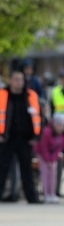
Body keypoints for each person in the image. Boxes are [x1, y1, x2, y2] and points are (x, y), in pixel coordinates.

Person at [0, 70, 42, 204]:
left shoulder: (30, 96)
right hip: (6, 138)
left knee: (27, 169)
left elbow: (38, 117)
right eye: (16, 79)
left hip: (25, 139)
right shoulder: (2, 94)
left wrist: (36, 135)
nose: (19, 82)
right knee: (2, 168)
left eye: (21, 79)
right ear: (10, 80)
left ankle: (32, 197)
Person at [34, 113, 64, 203]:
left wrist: (52, 159)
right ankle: (46, 194)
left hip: (53, 155)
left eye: (62, 125)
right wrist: (47, 159)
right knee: (45, 174)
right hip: (42, 154)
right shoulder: (46, 132)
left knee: (53, 173)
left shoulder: (63, 135)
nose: (60, 127)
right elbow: (43, 147)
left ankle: (52, 193)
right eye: (58, 125)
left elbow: (59, 149)